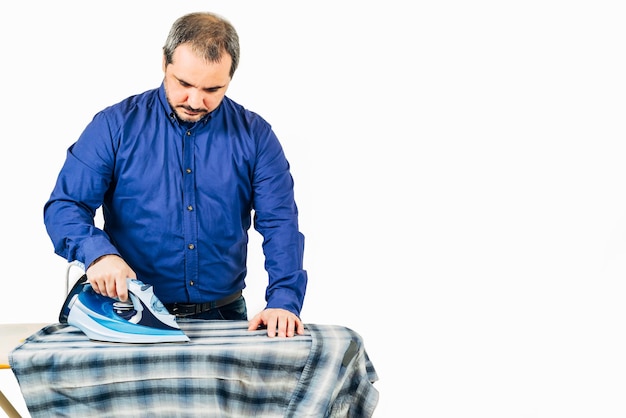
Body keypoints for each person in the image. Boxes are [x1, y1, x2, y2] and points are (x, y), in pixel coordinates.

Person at [43, 11, 307, 338]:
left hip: (223, 316)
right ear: (165, 62)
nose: (195, 100)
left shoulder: (255, 136)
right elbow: (66, 205)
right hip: (131, 317)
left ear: (230, 77)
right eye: (184, 83)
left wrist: (284, 300)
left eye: (212, 88)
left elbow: (280, 222)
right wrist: (98, 254)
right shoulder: (114, 127)